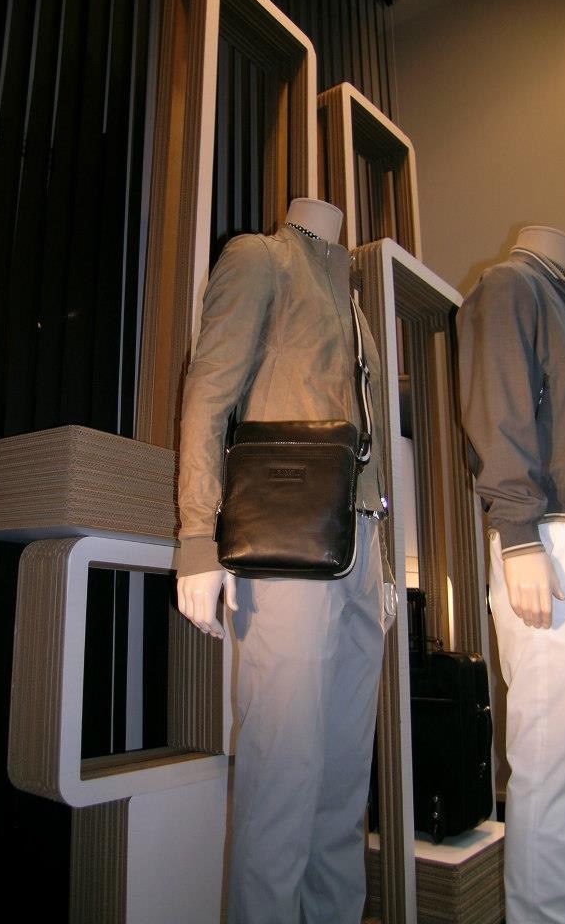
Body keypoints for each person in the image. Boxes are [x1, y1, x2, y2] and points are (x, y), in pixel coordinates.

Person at [174, 198, 395, 924]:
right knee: (282, 780)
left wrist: (383, 560)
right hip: (288, 546)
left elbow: (364, 443)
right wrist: (197, 538)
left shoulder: (354, 302)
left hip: (357, 546)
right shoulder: (259, 259)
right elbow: (207, 396)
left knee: (343, 788)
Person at [455, 225, 565, 924]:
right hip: (549, 540)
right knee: (552, 763)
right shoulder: (511, 285)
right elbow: (499, 408)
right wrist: (517, 534)